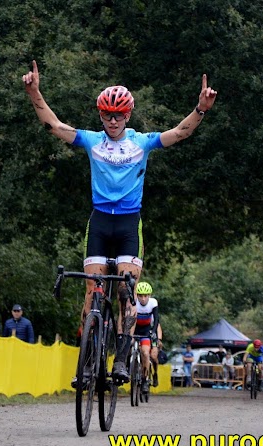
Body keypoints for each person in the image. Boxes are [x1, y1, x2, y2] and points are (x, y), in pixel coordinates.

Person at [23, 61, 217, 382]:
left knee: (126, 293)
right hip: (99, 222)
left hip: (128, 225)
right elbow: (54, 126)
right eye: (106, 115)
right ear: (100, 116)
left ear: (128, 116)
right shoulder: (91, 140)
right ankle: (87, 361)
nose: (112, 121)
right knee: (92, 291)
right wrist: (34, 93)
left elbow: (181, 132)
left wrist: (201, 108)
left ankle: (123, 357)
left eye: (118, 115)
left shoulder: (142, 142)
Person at [132, 281, 160, 392]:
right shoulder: (133, 302)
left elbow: (156, 319)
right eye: (140, 296)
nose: (143, 299)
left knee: (145, 353)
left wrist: (153, 332)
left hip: (146, 332)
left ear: (150, 295)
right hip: (134, 328)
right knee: (127, 345)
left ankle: (144, 379)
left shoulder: (153, 303)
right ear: (137, 295)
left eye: (145, 296)